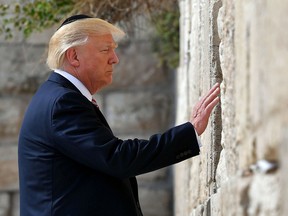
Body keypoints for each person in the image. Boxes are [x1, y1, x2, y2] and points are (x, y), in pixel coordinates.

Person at [18, 15, 220, 216]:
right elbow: (117, 158)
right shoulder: (62, 103)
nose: (115, 59)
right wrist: (189, 133)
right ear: (74, 56)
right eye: (105, 49)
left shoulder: (58, 97)